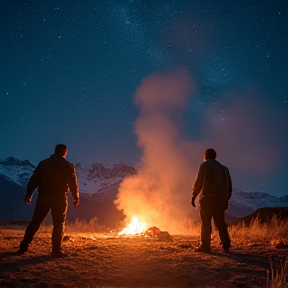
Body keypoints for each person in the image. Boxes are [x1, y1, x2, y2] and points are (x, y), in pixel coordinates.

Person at [18, 144, 80, 258]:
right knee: (58, 224)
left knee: (36, 221)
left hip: (44, 196)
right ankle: (56, 251)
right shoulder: (68, 166)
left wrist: (29, 193)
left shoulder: (43, 163)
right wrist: (76, 197)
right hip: (59, 197)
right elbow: (73, 183)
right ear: (65, 152)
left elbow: (34, 179)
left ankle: (24, 245)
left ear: (55, 151)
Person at [191, 148, 232, 253]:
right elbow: (229, 187)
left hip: (207, 199)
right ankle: (226, 245)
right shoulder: (224, 169)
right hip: (220, 200)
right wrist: (225, 200)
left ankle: (205, 246)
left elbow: (199, 183)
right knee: (220, 222)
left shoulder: (204, 166)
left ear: (206, 156)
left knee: (205, 222)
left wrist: (193, 196)